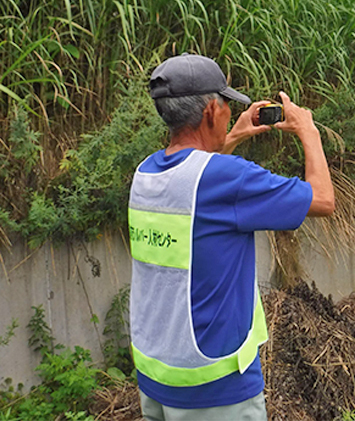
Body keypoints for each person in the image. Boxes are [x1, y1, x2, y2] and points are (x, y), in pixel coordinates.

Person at [127, 53, 334, 420]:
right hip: (216, 389)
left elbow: (195, 177)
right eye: (225, 104)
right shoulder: (228, 179)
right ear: (210, 111)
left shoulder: (146, 175)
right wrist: (309, 132)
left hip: (156, 377)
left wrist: (234, 134)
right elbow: (322, 200)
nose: (226, 112)